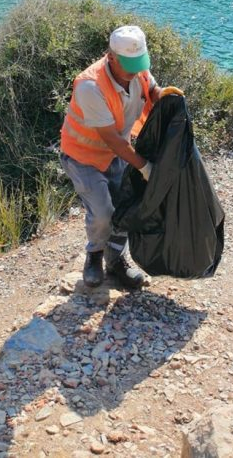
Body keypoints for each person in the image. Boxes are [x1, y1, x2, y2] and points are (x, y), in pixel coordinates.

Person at [60, 24, 166, 289]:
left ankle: (116, 260)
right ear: (111, 57)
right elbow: (113, 140)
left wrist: (167, 97)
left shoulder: (137, 69)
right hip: (83, 158)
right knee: (103, 213)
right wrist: (145, 168)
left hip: (116, 155)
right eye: (128, 64)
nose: (134, 71)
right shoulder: (90, 87)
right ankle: (94, 256)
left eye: (139, 63)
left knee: (125, 206)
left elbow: (151, 90)